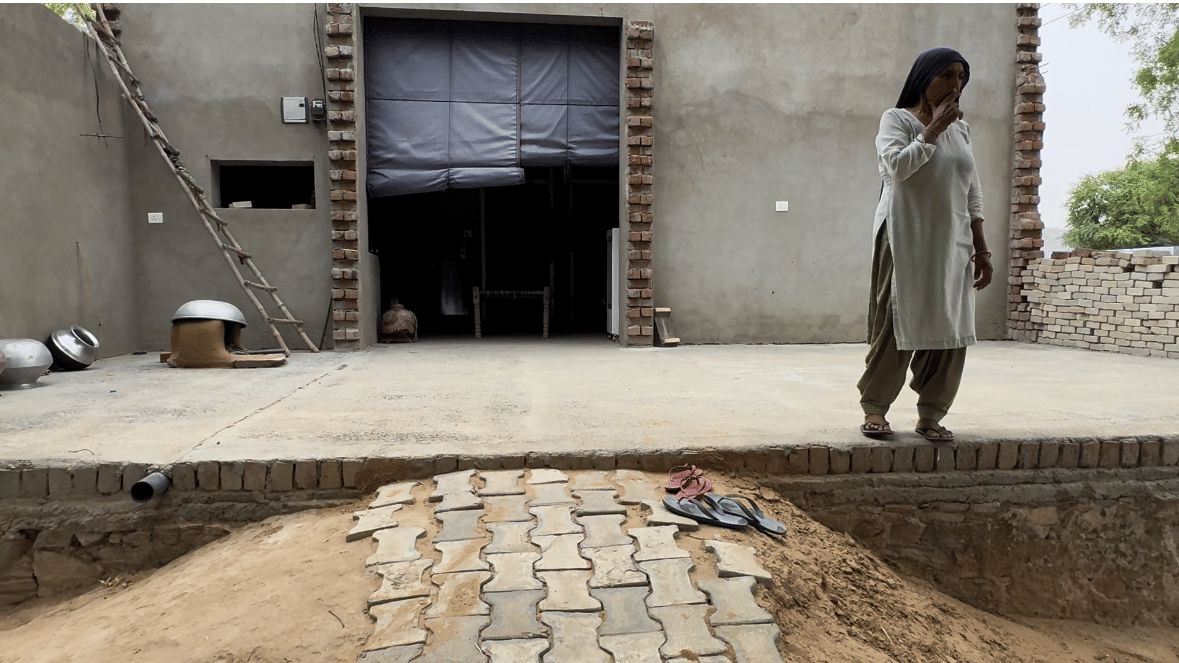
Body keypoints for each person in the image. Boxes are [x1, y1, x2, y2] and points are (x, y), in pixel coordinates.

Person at [857, 47, 993, 442]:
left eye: (961, 77)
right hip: (904, 235)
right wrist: (932, 128)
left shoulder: (962, 131)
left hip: (953, 239)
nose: (956, 84)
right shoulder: (895, 120)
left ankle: (931, 413)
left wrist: (981, 248)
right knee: (897, 320)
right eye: (948, 75)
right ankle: (875, 408)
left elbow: (972, 193)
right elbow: (897, 168)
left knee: (950, 325)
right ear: (925, 77)